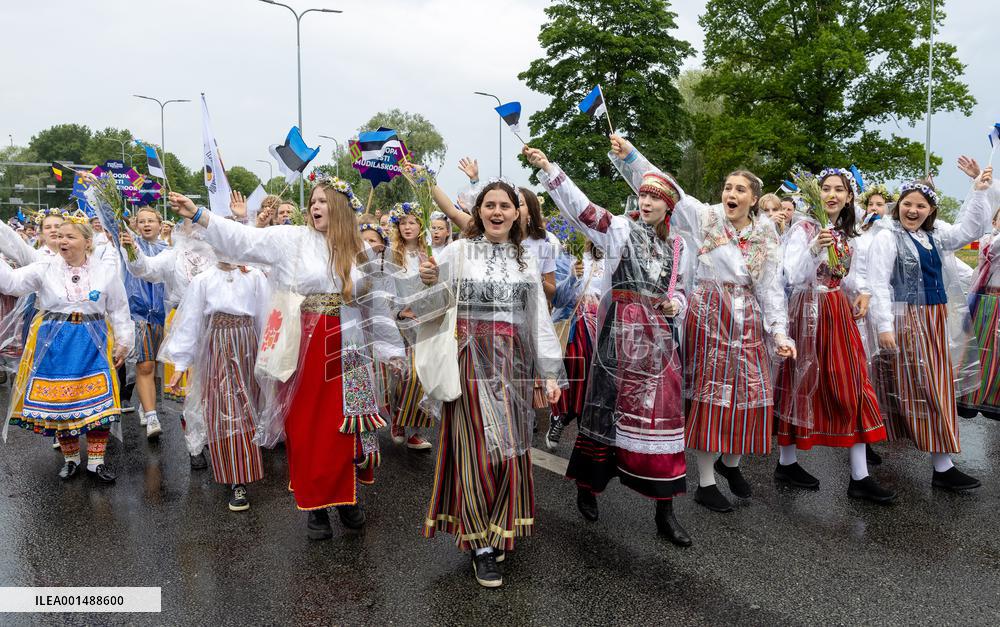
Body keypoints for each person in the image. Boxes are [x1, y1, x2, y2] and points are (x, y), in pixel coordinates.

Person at [168, 175, 405, 540]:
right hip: (305, 344)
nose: (315, 206)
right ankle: (317, 507)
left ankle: (346, 499)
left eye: (324, 200)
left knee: (347, 424)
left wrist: (390, 348)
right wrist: (200, 215)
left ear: (341, 207)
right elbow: (243, 241)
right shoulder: (290, 239)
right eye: (312, 200)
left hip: (349, 347)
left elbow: (374, 303)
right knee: (308, 425)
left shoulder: (359, 249)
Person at [605, 135, 795, 514]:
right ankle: (706, 482)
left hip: (748, 318)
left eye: (740, 189)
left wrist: (779, 331)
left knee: (750, 397)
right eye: (728, 186)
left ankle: (731, 463)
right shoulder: (705, 216)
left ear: (754, 199)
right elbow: (667, 188)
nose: (731, 193)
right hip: (709, 317)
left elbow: (772, 285)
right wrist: (631, 155)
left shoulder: (765, 234)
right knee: (711, 396)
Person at [526, 141, 695, 547]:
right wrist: (551, 168)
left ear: (669, 205)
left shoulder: (680, 246)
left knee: (662, 418)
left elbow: (686, 290)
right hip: (618, 337)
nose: (647, 200)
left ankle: (665, 511)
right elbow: (584, 212)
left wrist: (677, 303)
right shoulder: (621, 228)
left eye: (656, 196)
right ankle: (588, 485)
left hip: (659, 347)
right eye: (643, 194)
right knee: (605, 413)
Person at [416, 173, 563, 588]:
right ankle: (480, 542)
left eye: (505, 206)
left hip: (513, 366)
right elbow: (425, 307)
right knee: (476, 449)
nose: (497, 212)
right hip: (469, 364)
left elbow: (537, 319)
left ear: (518, 214)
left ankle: (500, 527)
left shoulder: (525, 259)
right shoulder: (457, 252)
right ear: (478, 212)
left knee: (511, 451)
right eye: (489, 205)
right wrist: (426, 280)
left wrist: (550, 372)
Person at [868, 168, 993, 491]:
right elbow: (878, 283)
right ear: (899, 206)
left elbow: (971, 228)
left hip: (935, 318)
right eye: (908, 204)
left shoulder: (936, 234)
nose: (914, 210)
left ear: (931, 211)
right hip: (904, 318)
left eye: (921, 206)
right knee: (912, 386)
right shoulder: (886, 235)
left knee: (935, 386)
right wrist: (884, 325)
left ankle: (942, 463)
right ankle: (870, 444)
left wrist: (977, 190)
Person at [777, 168, 894, 504]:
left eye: (838, 190)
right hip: (807, 311)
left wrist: (864, 292)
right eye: (825, 188)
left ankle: (859, 476)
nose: (831, 194)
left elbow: (854, 274)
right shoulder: (804, 228)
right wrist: (814, 247)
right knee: (800, 382)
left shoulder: (849, 232)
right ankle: (787, 462)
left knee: (853, 383)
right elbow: (793, 274)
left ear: (848, 196)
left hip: (837, 310)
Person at [0, 219, 131, 482]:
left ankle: (96, 461)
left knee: (99, 402)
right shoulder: (45, 267)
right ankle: (71, 459)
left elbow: (118, 308)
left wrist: (124, 342)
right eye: (60, 236)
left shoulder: (105, 271)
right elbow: (11, 284)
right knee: (61, 402)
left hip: (93, 339)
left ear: (87, 242)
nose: (62, 241)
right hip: (55, 341)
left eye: (70, 237)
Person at [161, 260, 270, 511]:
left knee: (248, 408)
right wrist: (180, 364)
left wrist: (269, 357)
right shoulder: (203, 279)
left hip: (248, 345)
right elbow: (190, 322)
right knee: (225, 410)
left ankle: (241, 467)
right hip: (216, 347)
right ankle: (237, 479)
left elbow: (266, 316)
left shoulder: (254, 276)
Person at [121, 218, 214, 467]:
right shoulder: (172, 256)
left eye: (198, 223)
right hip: (183, 322)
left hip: (215, 325)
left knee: (213, 386)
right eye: (188, 224)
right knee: (187, 390)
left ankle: (213, 439)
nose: (194, 229)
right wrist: (132, 249)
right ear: (181, 230)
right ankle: (195, 446)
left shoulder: (217, 252)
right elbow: (144, 269)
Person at [545, 239, 604, 450]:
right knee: (572, 369)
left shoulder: (611, 261)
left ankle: (582, 431)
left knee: (593, 379)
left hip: (600, 328)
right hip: (573, 326)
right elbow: (559, 300)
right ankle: (560, 415)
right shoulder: (566, 257)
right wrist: (573, 276)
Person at [386, 201, 433, 451]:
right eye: (402, 222)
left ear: (420, 225)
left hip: (425, 323)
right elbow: (385, 288)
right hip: (400, 324)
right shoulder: (392, 254)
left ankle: (414, 429)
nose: (407, 226)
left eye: (412, 221)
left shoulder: (430, 253)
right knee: (406, 375)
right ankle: (398, 420)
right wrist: (398, 312)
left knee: (422, 375)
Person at [122, 206, 168, 440]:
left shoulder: (169, 250)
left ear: (161, 225)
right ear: (135, 225)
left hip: (163, 313)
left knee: (158, 366)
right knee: (145, 365)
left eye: (151, 220)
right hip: (138, 313)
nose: (147, 224)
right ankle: (151, 416)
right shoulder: (128, 247)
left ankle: (145, 402)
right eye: (142, 221)